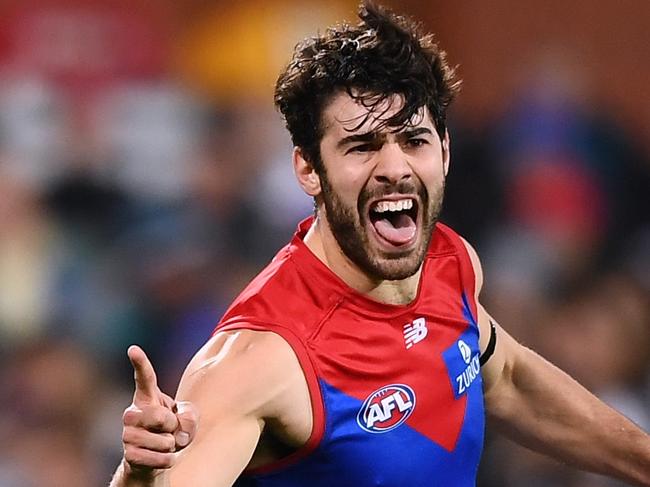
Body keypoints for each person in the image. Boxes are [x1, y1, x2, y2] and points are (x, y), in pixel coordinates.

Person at [110, 3, 650, 486]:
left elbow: (503, 376)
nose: (393, 168)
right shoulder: (260, 360)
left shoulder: (449, 261)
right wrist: (139, 476)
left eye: (413, 140)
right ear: (308, 168)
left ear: (444, 151)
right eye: (362, 146)